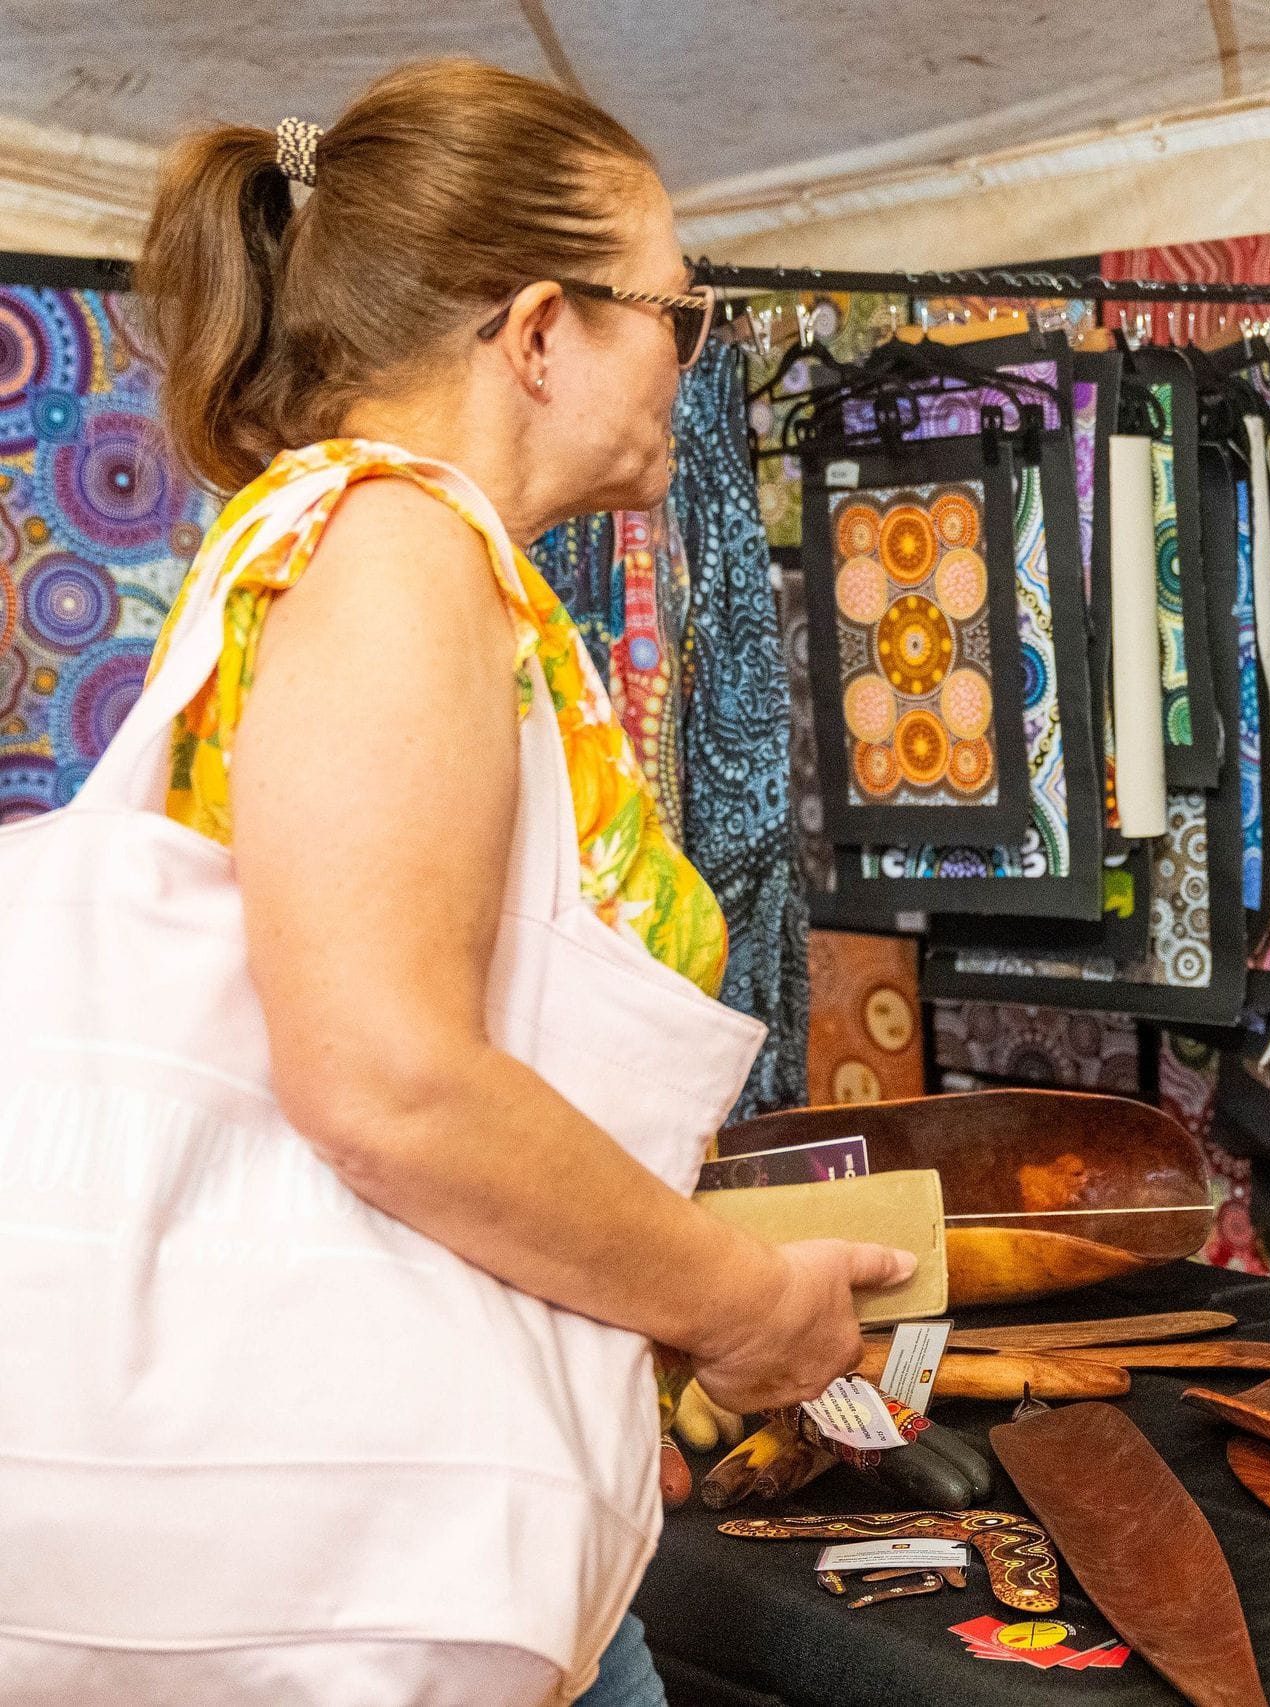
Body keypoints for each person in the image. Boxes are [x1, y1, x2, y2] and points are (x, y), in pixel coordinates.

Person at [2, 61, 906, 1706]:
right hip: (351, 1541)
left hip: (412, 1489)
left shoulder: (376, 550)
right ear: (543, 331)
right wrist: (734, 1306)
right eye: (677, 316)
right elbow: (387, 1078)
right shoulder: (399, 549)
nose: (688, 359)